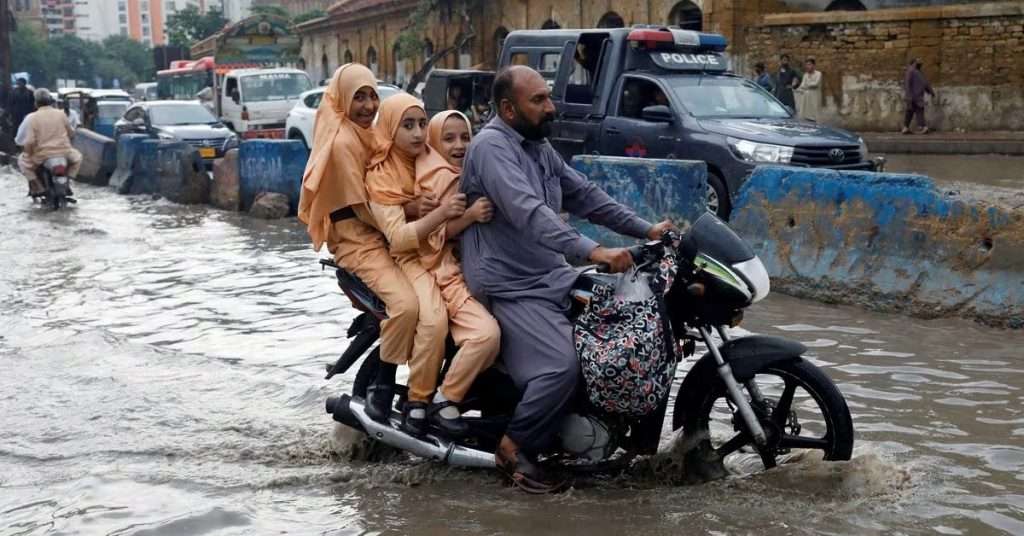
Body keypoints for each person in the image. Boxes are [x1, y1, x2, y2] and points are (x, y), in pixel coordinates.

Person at [459, 65, 676, 493]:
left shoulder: (538, 147)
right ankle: (514, 446)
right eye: (538, 100)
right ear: (508, 108)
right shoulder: (490, 147)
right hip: (510, 284)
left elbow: (586, 195)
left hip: (550, 273)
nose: (551, 107)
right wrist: (594, 251)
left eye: (548, 97)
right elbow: (527, 211)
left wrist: (647, 230)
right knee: (563, 365)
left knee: (614, 334)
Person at [298, 64, 424, 427]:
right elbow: (364, 208)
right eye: (359, 97)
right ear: (341, 100)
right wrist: (409, 210)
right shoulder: (342, 142)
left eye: (372, 96)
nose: (369, 105)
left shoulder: (366, 135)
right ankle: (384, 384)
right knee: (406, 305)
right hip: (358, 240)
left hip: (384, 232)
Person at [362, 94, 456, 437]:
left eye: (421, 123)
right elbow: (399, 239)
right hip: (411, 255)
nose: (418, 134)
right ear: (389, 129)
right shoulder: (381, 176)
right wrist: (438, 213)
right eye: (408, 125)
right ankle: (417, 400)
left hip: (448, 250)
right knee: (432, 319)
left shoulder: (433, 157)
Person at [414, 110, 501, 437]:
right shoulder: (440, 180)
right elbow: (437, 232)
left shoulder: (464, 174)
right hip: (444, 272)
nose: (459, 144)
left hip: (469, 268)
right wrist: (471, 216)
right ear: (434, 142)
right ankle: (443, 400)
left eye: (465, 137)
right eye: (448, 138)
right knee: (486, 335)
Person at [16, 88, 82, 197]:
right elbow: (71, 133)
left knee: (22, 162)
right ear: (51, 101)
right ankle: (68, 183)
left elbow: (27, 140)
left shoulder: (31, 118)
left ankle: (39, 187)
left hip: (42, 155)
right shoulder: (61, 114)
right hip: (64, 153)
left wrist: (27, 151)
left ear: (36, 103)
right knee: (78, 159)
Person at [903, 58, 935, 135]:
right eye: (918, 62)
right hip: (914, 96)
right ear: (913, 63)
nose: (920, 64)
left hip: (915, 96)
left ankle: (906, 128)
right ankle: (923, 127)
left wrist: (930, 91)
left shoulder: (916, 72)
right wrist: (931, 92)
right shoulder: (912, 71)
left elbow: (925, 83)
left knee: (911, 111)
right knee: (917, 111)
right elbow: (908, 84)